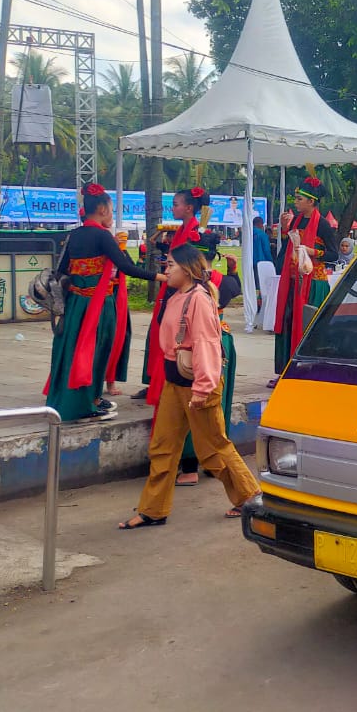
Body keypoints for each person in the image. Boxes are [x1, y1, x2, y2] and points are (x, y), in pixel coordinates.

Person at [118, 243, 260, 528]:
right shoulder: (177, 295)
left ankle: (249, 497)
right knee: (163, 446)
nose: (166, 269)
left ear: (187, 269)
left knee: (213, 448)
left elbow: (207, 344)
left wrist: (203, 388)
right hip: (175, 382)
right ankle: (153, 510)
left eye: (171, 264)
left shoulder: (199, 299)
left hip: (198, 384)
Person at [44, 184, 164, 423]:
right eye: (111, 209)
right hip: (98, 305)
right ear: (101, 209)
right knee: (96, 352)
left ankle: (77, 400)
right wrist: (160, 277)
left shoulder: (74, 235)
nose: (111, 214)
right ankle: (87, 403)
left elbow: (62, 269)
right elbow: (127, 267)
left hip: (75, 304)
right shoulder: (102, 236)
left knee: (72, 350)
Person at [174, 234, 239, 487]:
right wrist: (232, 270)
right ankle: (217, 463)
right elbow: (235, 287)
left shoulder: (187, 282)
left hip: (194, 345)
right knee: (217, 407)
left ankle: (190, 467)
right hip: (222, 342)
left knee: (192, 406)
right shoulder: (227, 282)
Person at [136, 187, 206, 405]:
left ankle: (164, 384)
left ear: (189, 208)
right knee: (159, 334)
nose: (172, 208)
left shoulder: (195, 232)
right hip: (170, 287)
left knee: (170, 338)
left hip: (179, 291)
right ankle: (155, 382)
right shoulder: (182, 229)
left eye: (176, 204)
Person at [270, 176, 339, 387]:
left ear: (311, 201)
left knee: (307, 327)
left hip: (313, 284)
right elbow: (289, 248)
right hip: (293, 282)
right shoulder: (296, 221)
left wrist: (312, 251)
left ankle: (308, 371)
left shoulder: (323, 225)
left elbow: (334, 255)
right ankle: (285, 370)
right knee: (287, 324)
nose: (296, 202)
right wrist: (285, 230)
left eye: (300, 199)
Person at [104, 230, 135, 397]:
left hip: (117, 295)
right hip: (101, 295)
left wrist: (122, 249)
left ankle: (111, 381)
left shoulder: (120, 253)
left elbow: (130, 267)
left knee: (119, 337)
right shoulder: (98, 252)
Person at [250, 214, 273, 290]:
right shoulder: (263, 235)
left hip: (249, 262)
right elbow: (266, 250)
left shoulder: (248, 234)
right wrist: (271, 261)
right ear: (260, 224)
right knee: (261, 284)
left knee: (252, 283)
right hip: (261, 262)